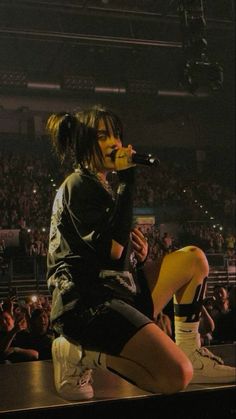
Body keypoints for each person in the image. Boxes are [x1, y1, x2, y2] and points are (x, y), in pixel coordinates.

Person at [46, 106, 236, 401]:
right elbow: (111, 254)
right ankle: (78, 352)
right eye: (103, 136)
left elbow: (115, 257)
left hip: (117, 292)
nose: (115, 143)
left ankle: (191, 350)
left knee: (193, 259)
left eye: (116, 135)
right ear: (84, 142)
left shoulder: (100, 185)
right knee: (175, 376)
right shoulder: (79, 184)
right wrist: (128, 183)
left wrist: (142, 257)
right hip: (87, 304)